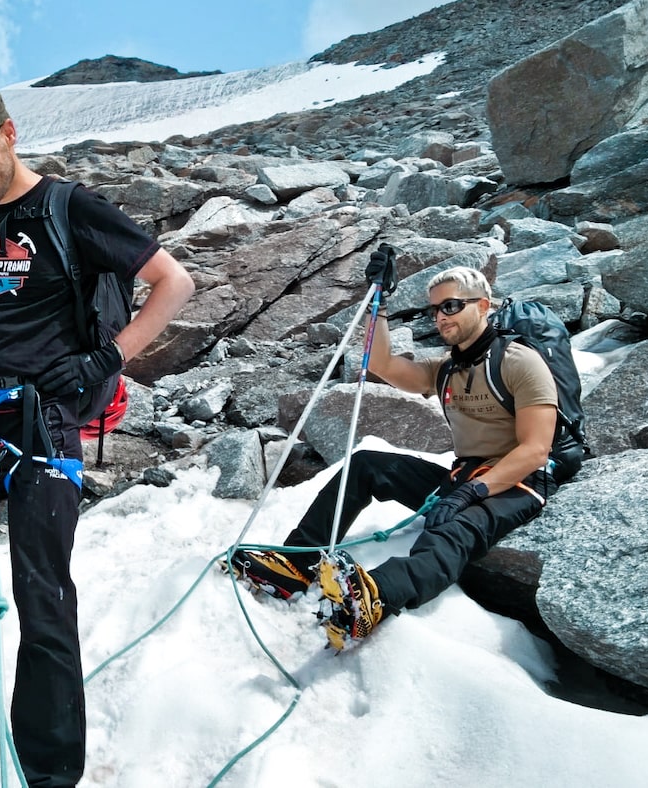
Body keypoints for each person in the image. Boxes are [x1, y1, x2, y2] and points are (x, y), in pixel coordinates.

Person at [0, 84, 194, 787]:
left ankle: (51, 777)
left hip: (45, 417)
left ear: (7, 133)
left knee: (43, 602)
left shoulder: (70, 208)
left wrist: (107, 358)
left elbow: (173, 281)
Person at [231, 251, 559, 650]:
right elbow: (383, 363)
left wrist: (473, 493)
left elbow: (536, 449)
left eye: (452, 306)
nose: (440, 317)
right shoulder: (446, 369)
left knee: (451, 530)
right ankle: (298, 563)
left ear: (484, 306)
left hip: (517, 482)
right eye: (435, 309)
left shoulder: (520, 362)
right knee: (366, 465)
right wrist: (380, 303)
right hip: (463, 475)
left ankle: (376, 597)